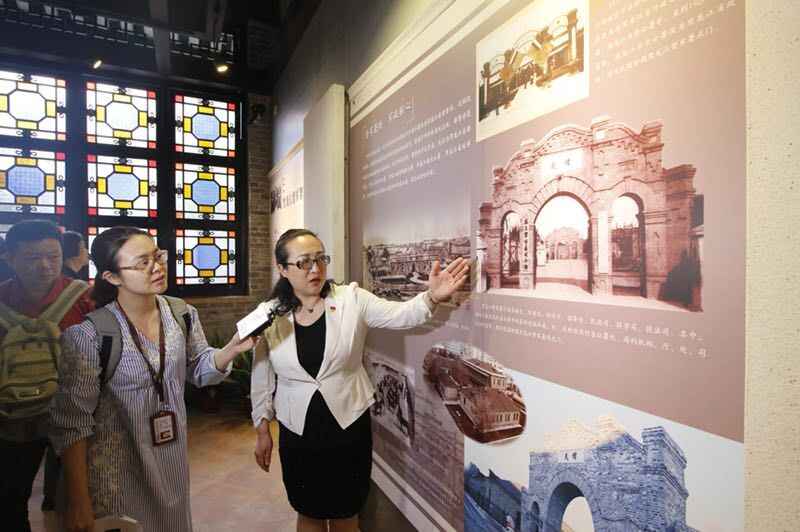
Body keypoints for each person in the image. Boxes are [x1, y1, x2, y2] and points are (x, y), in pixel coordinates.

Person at [251, 228, 469, 532]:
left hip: (347, 425)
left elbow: (401, 315)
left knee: (346, 512)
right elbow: (261, 375)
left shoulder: (351, 299)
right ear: (283, 269)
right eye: (304, 262)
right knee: (308, 511)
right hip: (298, 429)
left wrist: (431, 296)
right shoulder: (268, 315)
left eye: (320, 259)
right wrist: (262, 428)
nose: (315, 269)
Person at [49, 226, 255, 532]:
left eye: (157, 257)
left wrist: (231, 349)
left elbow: (199, 369)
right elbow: (72, 424)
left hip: (170, 461)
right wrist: (79, 501)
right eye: (142, 263)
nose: (157, 267)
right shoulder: (90, 335)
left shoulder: (182, 314)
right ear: (112, 277)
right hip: (113, 473)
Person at [0, 220, 93, 532]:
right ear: (9, 258)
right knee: (10, 499)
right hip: (15, 419)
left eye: (53, 257)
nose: (44, 266)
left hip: (77, 417)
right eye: (32, 258)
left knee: (84, 496)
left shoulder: (85, 298)